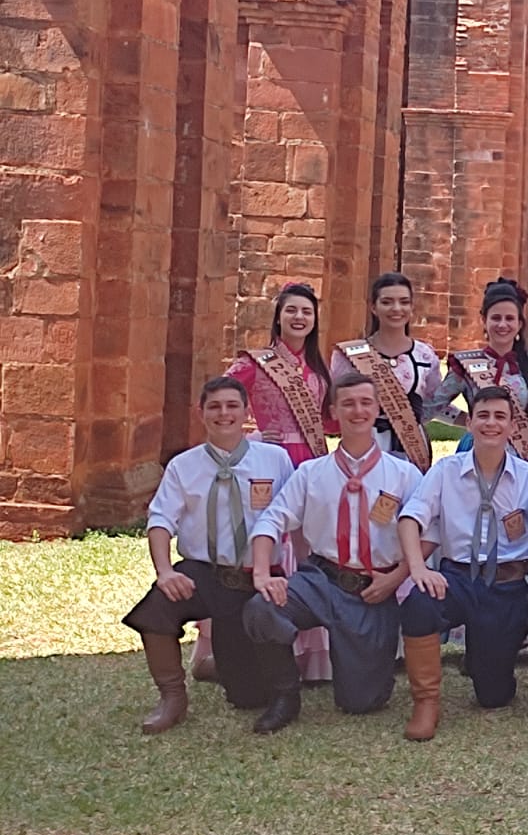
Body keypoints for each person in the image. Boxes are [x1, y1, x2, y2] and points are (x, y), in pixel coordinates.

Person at [241, 374, 423, 733]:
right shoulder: (311, 472)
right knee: (261, 609)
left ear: (377, 408)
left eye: (366, 403)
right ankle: (285, 693)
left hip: (372, 590)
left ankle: (360, 671)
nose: (358, 411)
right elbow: (271, 522)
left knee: (361, 703)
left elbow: (426, 532)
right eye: (349, 403)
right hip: (320, 580)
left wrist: (395, 579)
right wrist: (262, 574)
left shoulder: (404, 474)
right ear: (334, 411)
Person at [121, 376, 296, 733]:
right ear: (201, 413)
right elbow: (160, 519)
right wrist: (165, 571)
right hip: (203, 572)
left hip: (252, 578)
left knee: (247, 696)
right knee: (156, 611)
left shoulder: (275, 460)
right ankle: (172, 697)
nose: (223, 413)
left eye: (232, 405)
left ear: (247, 412)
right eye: (214, 406)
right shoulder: (183, 466)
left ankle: (216, 664)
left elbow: (292, 513)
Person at [395, 386, 528, 741]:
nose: (491, 424)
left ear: (513, 426)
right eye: (483, 415)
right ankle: (426, 703)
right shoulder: (446, 471)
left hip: (506, 586)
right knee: (419, 604)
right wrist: (419, 569)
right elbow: (410, 519)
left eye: (500, 417)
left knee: (493, 696)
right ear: (470, 423)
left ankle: (485, 658)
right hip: (457, 579)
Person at [221, 282, 336, 683]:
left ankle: (312, 654)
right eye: (291, 311)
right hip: (271, 462)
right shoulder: (256, 361)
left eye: (306, 311)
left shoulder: (319, 366)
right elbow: (222, 396)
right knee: (273, 540)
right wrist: (251, 433)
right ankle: (265, 641)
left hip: (313, 460)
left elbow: (329, 419)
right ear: (278, 316)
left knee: (310, 545)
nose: (299, 318)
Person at [432, 277, 528, 466]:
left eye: (509, 318)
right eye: (496, 318)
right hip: (476, 450)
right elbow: (435, 406)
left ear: (519, 324)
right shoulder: (466, 364)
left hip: (521, 454)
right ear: (484, 321)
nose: (502, 325)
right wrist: (469, 421)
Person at [330, 271, 444, 469]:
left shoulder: (424, 355)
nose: (396, 308)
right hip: (365, 443)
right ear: (374, 307)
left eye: (404, 302)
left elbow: (434, 404)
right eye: (387, 302)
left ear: (411, 307)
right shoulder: (349, 355)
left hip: (412, 447)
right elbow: (335, 403)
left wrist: (468, 420)